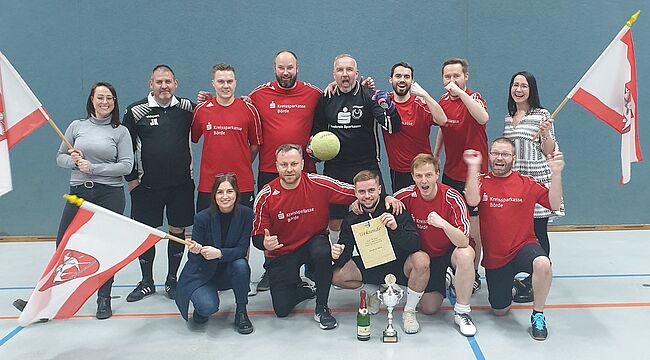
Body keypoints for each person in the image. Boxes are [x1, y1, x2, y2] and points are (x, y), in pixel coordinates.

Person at [463, 138, 565, 341]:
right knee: (500, 310)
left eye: (505, 154)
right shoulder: (482, 180)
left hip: (523, 247)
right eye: (495, 153)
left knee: (543, 264)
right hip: (495, 258)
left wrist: (556, 173)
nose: (499, 158)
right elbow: (472, 200)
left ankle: (538, 315)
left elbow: (554, 203)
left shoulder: (526, 183)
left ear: (513, 158)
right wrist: (473, 167)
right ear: (490, 156)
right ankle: (514, 286)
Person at [252, 144, 357, 330]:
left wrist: (386, 197)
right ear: (276, 166)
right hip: (282, 252)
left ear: (302, 164)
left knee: (323, 250)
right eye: (284, 165)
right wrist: (264, 243)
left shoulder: (318, 183)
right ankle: (301, 289)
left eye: (294, 163)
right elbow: (257, 235)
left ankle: (322, 308)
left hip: (313, 244)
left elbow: (356, 191)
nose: (289, 169)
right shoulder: (266, 196)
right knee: (282, 310)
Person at [56, 82, 134, 319]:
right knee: (63, 245)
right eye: (100, 98)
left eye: (109, 98)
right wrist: (74, 162)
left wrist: (93, 168)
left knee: (105, 247)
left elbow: (126, 166)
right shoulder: (76, 126)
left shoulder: (120, 131)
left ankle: (104, 298)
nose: (105, 102)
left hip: (109, 194)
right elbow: (59, 157)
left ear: (114, 102)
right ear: (91, 100)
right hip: (78, 193)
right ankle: (55, 299)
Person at [122, 65, 195, 303]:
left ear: (176, 83)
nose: (164, 86)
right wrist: (132, 180)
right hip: (147, 187)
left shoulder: (187, 108)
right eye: (159, 82)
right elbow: (125, 146)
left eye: (168, 82)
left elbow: (215, 112)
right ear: (150, 84)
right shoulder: (135, 111)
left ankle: (172, 279)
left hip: (181, 185)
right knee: (147, 234)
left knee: (177, 232)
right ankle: (147, 282)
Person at [312, 54, 402, 241]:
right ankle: (338, 259)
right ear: (334, 74)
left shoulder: (369, 96)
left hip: (366, 165)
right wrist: (314, 151)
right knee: (335, 219)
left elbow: (393, 128)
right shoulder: (326, 98)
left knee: (376, 215)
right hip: (335, 167)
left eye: (349, 70)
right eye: (340, 70)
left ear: (356, 73)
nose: (345, 74)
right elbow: (317, 132)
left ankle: (377, 262)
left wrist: (390, 109)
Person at [331, 170, 429, 334]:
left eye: (371, 190)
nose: (367, 196)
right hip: (371, 266)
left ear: (380, 189)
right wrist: (338, 252)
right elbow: (346, 252)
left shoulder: (395, 208)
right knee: (336, 275)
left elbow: (415, 245)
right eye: (362, 192)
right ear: (355, 193)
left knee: (422, 259)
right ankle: (375, 293)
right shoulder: (351, 218)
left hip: (399, 266)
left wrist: (396, 228)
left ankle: (409, 312)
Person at [394, 154, 477, 336]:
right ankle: (446, 279)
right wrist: (386, 200)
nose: (424, 180)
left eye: (428, 175)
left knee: (466, 254)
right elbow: (382, 203)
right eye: (419, 176)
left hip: (449, 251)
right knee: (429, 308)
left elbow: (463, 240)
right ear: (413, 176)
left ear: (437, 174)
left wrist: (443, 224)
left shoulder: (452, 197)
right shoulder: (405, 196)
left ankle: (462, 312)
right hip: (425, 258)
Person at [503, 71, 560, 302]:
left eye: (523, 86)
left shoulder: (542, 115)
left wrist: (546, 133)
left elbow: (549, 150)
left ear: (531, 90)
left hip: (536, 181)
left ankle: (539, 276)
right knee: (520, 231)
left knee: (538, 230)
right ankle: (522, 271)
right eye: (515, 85)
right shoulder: (509, 116)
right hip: (516, 183)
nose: (518, 89)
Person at [434, 58, 489, 292]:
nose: (452, 81)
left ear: (466, 77)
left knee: (474, 230)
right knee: (452, 226)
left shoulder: (474, 98)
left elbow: (483, 118)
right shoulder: (442, 101)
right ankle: (454, 268)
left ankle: (474, 272)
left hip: (475, 175)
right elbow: (442, 129)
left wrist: (460, 92)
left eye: (457, 76)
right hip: (450, 173)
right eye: (447, 77)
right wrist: (436, 154)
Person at [175, 174, 254, 334]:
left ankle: (241, 311)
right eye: (220, 192)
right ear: (214, 195)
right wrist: (196, 251)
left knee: (241, 265)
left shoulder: (246, 214)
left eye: (230, 191)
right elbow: (192, 258)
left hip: (229, 270)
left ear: (236, 193)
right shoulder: (202, 218)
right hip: (203, 273)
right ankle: (201, 308)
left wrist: (219, 253)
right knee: (207, 307)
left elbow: (241, 250)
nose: (225, 196)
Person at [192, 63, 262, 211]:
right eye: (221, 81)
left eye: (229, 81)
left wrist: (241, 162)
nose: (226, 86)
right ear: (213, 83)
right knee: (208, 231)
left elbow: (255, 145)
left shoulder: (249, 109)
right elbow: (193, 137)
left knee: (243, 230)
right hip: (209, 184)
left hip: (242, 183)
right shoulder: (201, 110)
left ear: (235, 82)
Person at [382, 62, 447, 192]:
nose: (402, 80)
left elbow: (443, 120)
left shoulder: (420, 103)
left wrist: (425, 95)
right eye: (398, 76)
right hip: (398, 171)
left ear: (412, 81)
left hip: (424, 170)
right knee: (401, 210)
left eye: (406, 77)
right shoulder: (383, 103)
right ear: (391, 79)